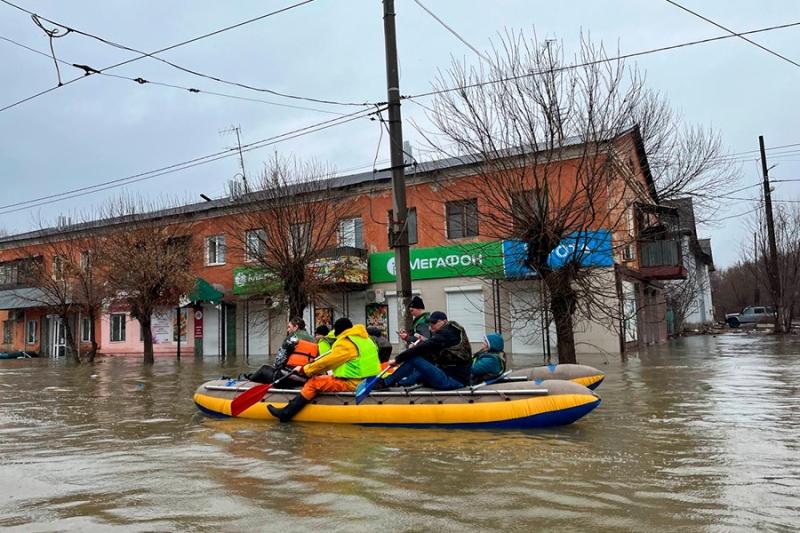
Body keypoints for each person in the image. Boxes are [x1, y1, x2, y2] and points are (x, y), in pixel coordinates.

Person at [267, 317, 381, 423]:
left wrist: (304, 370)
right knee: (322, 378)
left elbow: (326, 364)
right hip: (369, 381)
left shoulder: (346, 343)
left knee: (313, 382)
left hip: (353, 383)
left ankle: (286, 413)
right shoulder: (366, 340)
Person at [378, 311, 472, 391]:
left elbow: (424, 346)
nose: (431, 325)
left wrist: (397, 360)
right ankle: (399, 383)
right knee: (423, 362)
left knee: (414, 359)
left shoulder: (447, 334)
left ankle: (385, 383)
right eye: (430, 323)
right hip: (452, 376)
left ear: (444, 321)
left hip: (452, 381)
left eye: (434, 323)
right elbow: (427, 351)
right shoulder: (450, 333)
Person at [242, 317, 315, 387]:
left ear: (296, 327)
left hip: (287, 378)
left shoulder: (292, 338)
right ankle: (250, 377)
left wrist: (276, 369)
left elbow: (279, 361)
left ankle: (247, 381)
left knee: (264, 369)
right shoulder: (314, 340)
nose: (287, 330)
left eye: (289, 327)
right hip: (305, 379)